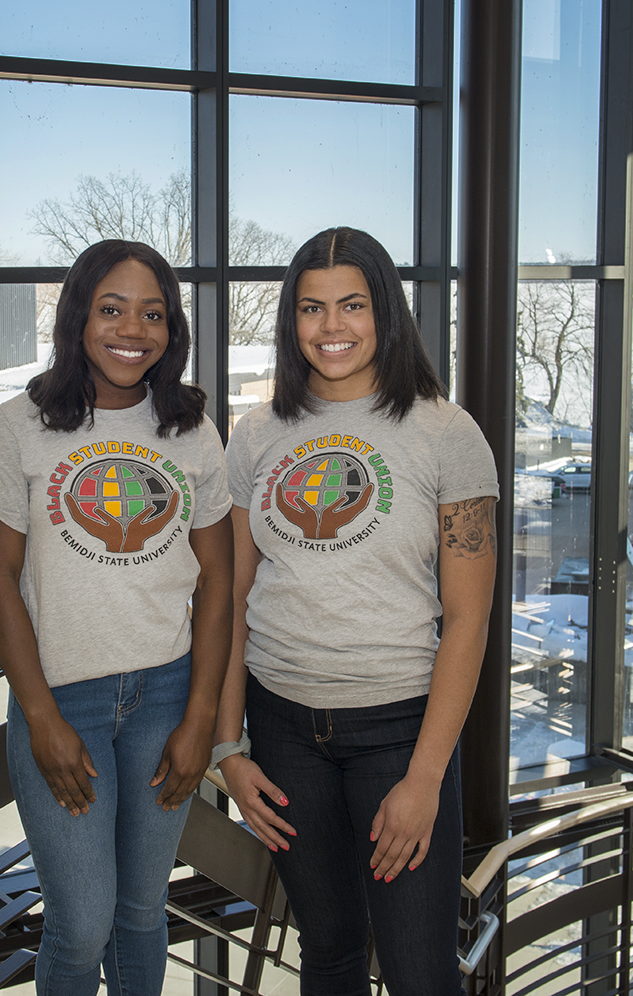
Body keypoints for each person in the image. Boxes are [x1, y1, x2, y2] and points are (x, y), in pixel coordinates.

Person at [212, 227, 498, 995]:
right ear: (289, 321)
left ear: (387, 314)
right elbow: (232, 599)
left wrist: (426, 776)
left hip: (398, 734)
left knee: (418, 973)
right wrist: (228, 749)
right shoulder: (259, 435)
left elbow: (469, 620)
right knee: (329, 952)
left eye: (351, 305)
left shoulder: (446, 432)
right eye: (311, 308)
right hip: (282, 732)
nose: (331, 327)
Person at [0, 239, 233, 996]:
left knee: (143, 913)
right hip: (63, 701)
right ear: (79, 316)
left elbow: (217, 576)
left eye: (153, 313)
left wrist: (201, 720)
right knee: (82, 923)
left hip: (165, 695)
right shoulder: (21, 424)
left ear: (171, 329)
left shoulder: (190, 428)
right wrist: (40, 713)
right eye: (112, 308)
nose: (133, 328)